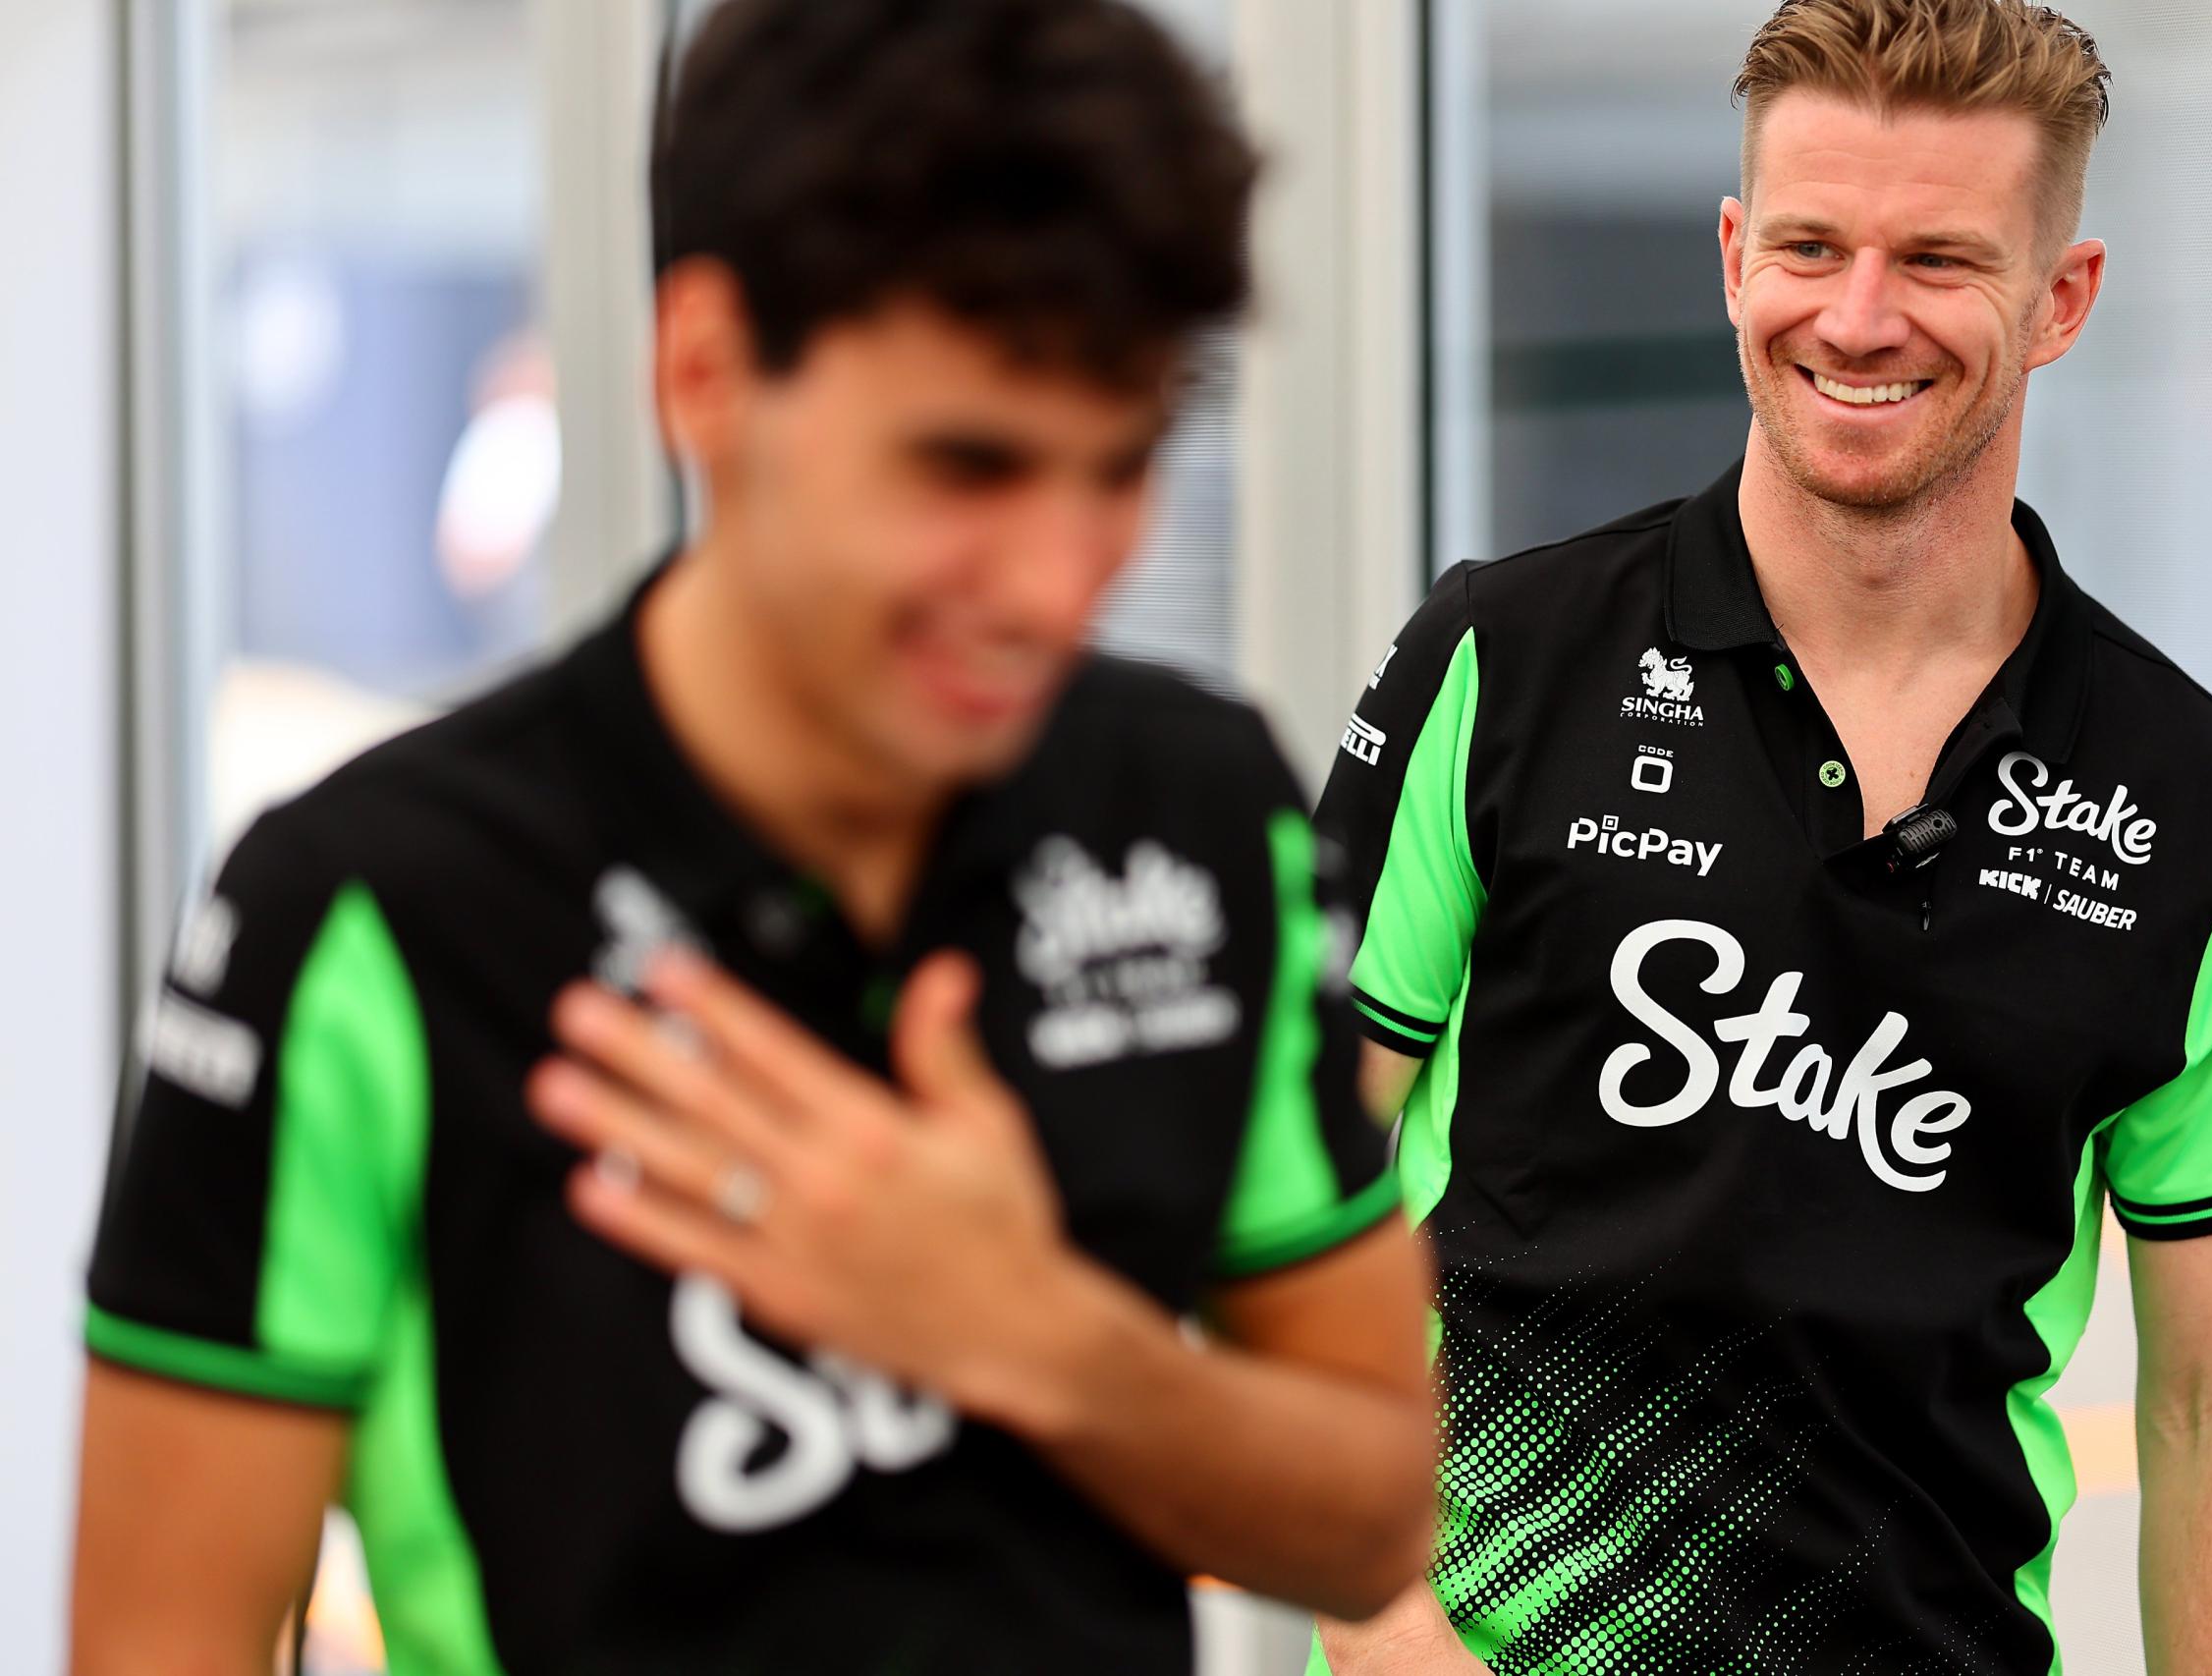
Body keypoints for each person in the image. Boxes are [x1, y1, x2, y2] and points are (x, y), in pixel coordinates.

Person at [72, 2, 1436, 1671]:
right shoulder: (366, 913)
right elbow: (161, 1639)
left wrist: (1038, 1335)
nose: (1053, 578)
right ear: (705, 368)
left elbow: (1373, 1512)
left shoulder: (1194, 803)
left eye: (1121, 465)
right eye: (967, 466)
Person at [1311, 2, 2212, 1671]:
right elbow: (1282, 1177)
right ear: (1733, 258)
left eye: (1938, 259)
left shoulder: (2189, 797)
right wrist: (1390, 1631)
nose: (1857, 317)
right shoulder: (1501, 661)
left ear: (2061, 300)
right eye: (1810, 246)